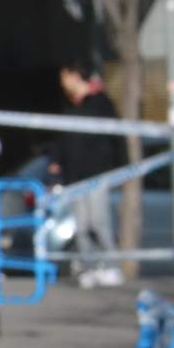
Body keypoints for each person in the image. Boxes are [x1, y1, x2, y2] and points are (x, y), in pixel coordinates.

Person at [48, 66, 124, 288]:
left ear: (74, 76)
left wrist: (120, 167)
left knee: (99, 222)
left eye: (64, 77)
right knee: (81, 226)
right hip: (74, 177)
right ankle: (89, 269)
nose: (62, 83)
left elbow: (115, 135)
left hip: (97, 174)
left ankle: (111, 266)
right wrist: (56, 160)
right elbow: (61, 138)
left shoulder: (100, 102)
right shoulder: (69, 106)